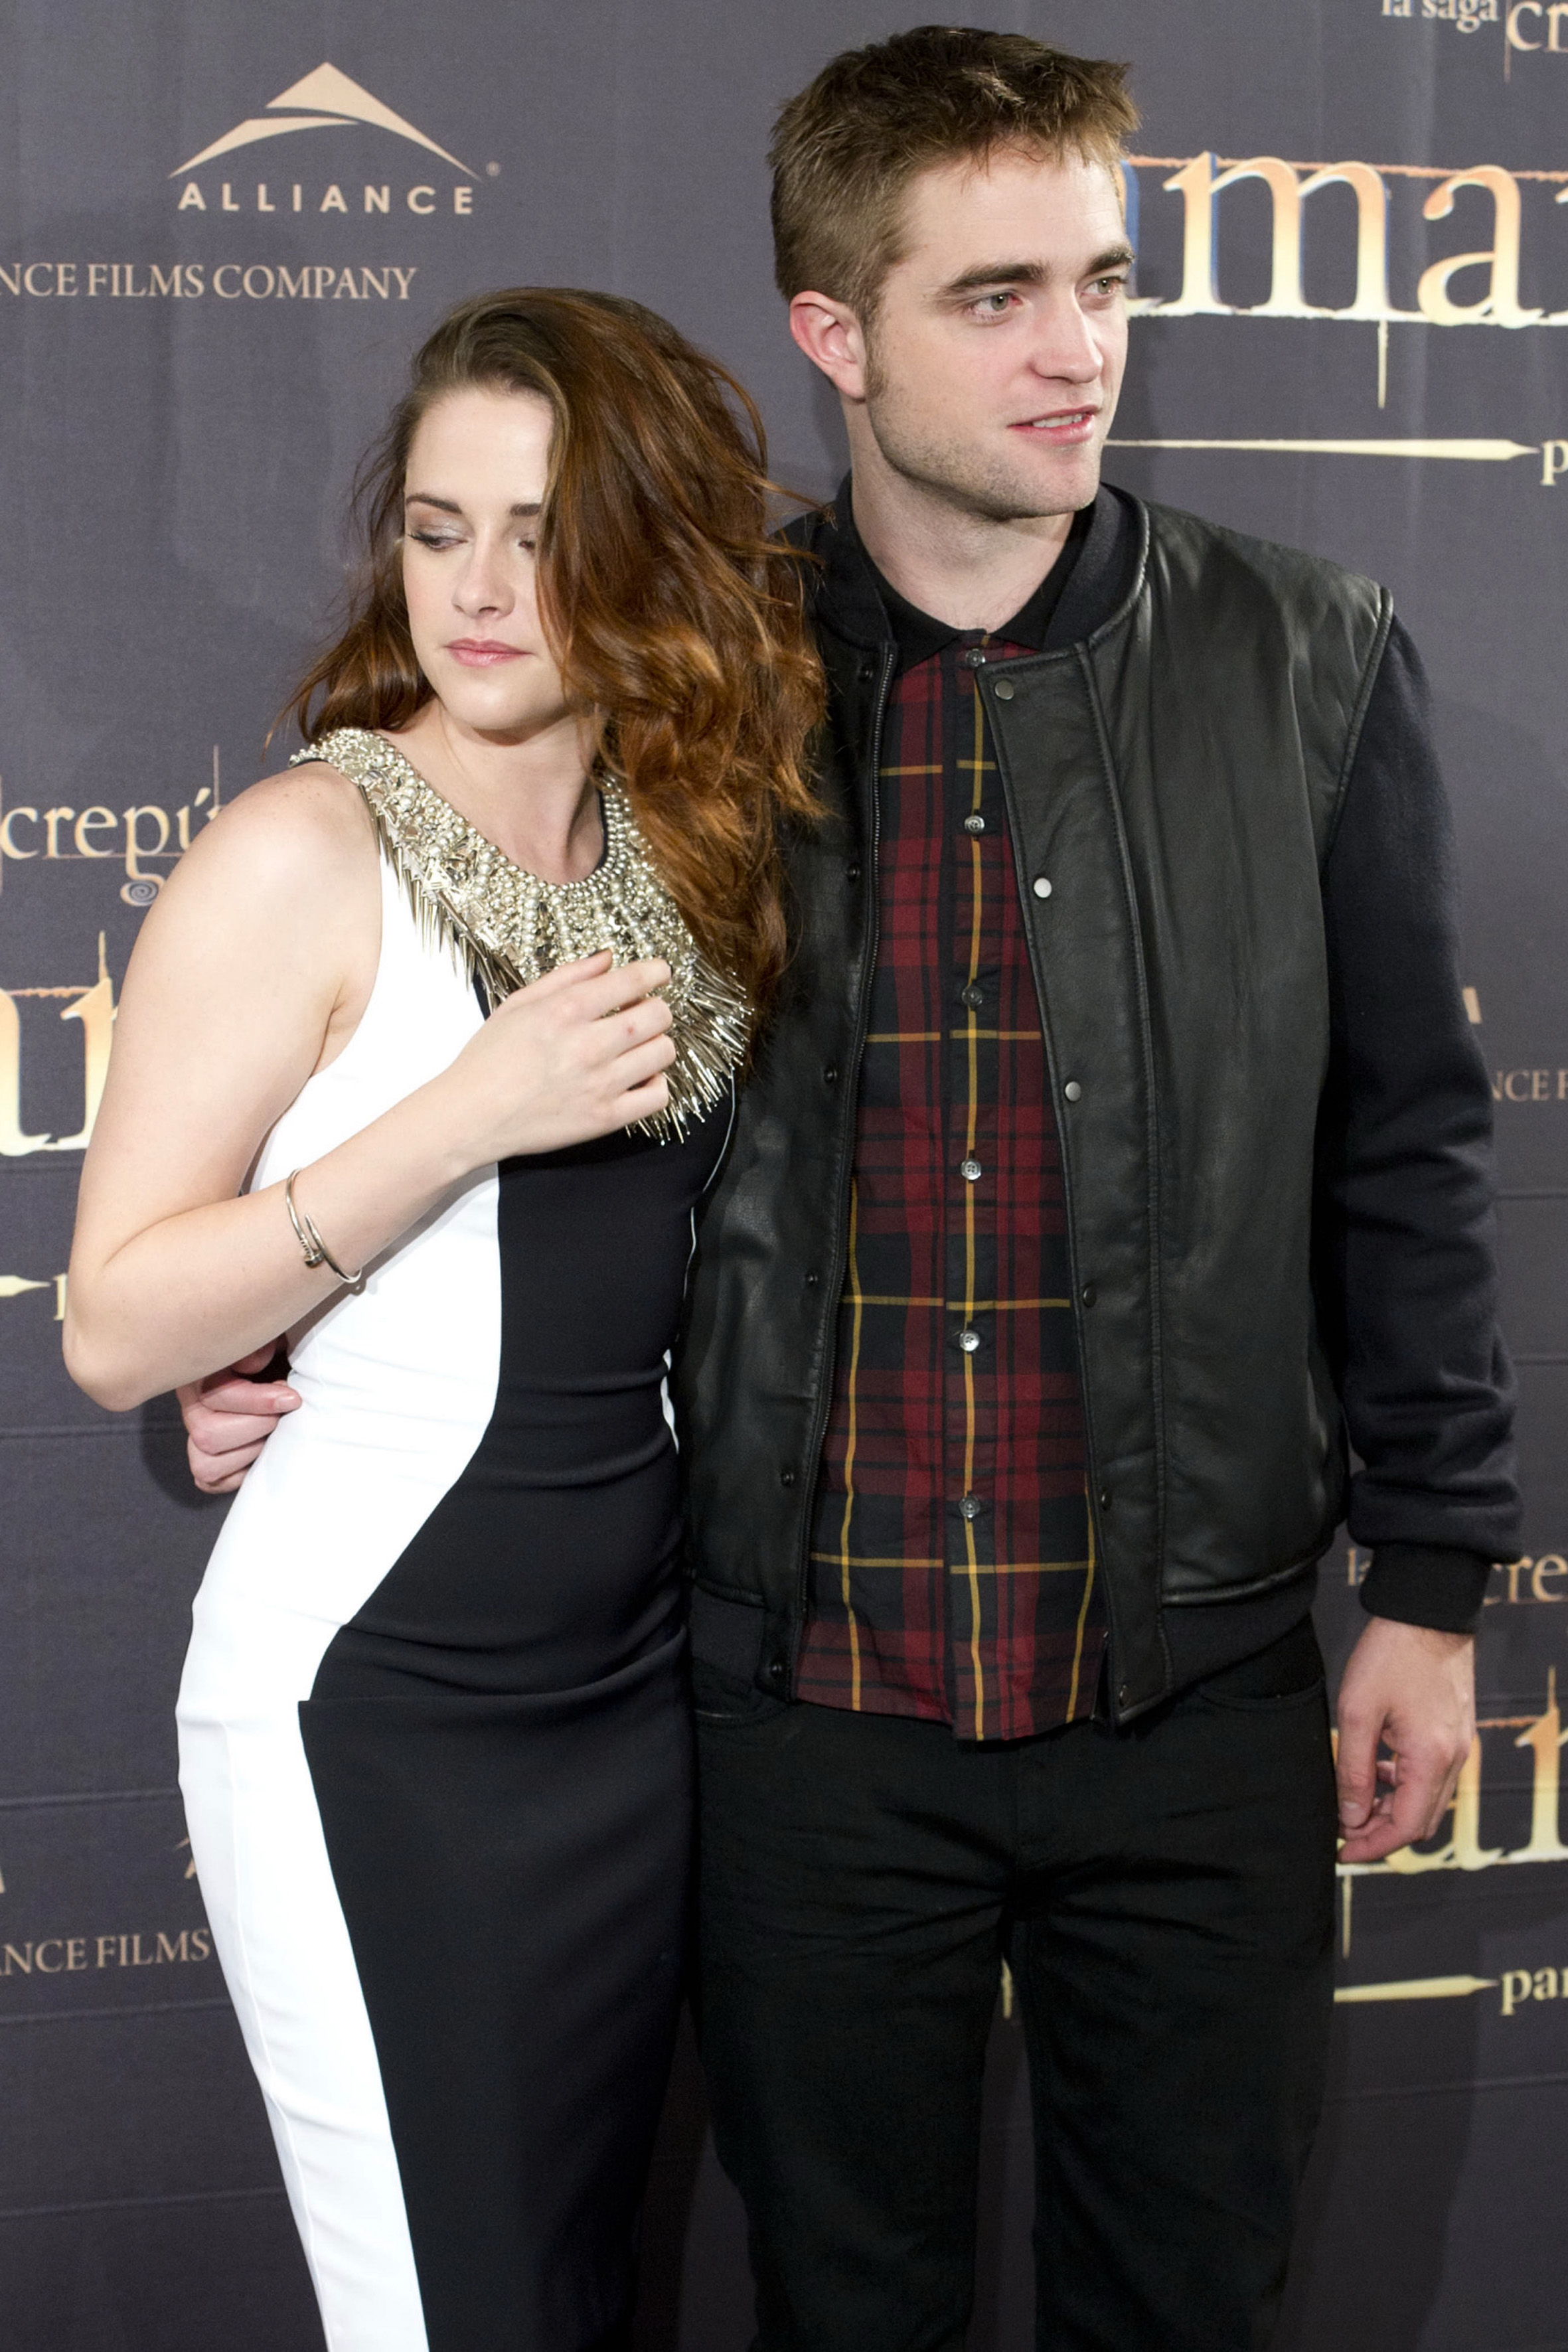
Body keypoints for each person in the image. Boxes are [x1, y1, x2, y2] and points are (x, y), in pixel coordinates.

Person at [181, 28, 1522, 2352]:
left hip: (1192, 1694)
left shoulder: (1308, 658)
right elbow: (433, 1033)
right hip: (800, 1712)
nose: (1076, 350)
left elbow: (1402, 1146)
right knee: (839, 2306)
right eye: (994, 297)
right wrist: (275, 1340)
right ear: (835, 333)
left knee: (1193, 2303)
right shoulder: (678, 690)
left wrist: (1425, 1579)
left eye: (1101, 283)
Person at [64, 286, 819, 2352]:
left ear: (648, 549)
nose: (479, 590)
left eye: (542, 533)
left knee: (570, 2299)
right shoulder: (296, 856)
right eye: (436, 526)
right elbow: (114, 1327)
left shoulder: (685, 848)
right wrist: (463, 1115)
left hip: (629, 1703)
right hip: (375, 1714)